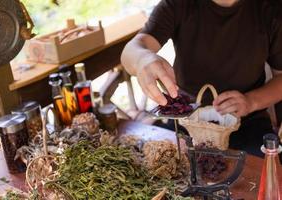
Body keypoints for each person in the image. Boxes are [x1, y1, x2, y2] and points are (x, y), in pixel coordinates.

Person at [121, 0, 282, 157]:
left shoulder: (271, 9)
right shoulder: (178, 5)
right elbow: (132, 50)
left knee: (260, 177)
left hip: (247, 122)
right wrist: (142, 59)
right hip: (185, 119)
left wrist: (250, 101)